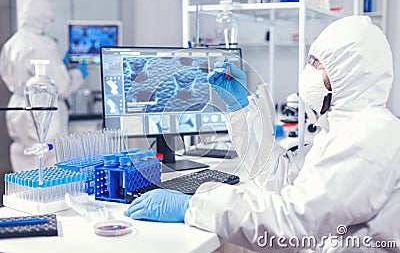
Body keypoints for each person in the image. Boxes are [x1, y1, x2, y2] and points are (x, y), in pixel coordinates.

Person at [124, 16, 400, 252]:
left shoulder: (369, 136)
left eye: (318, 64)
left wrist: (193, 207)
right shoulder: (346, 130)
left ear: (348, 73)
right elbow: (282, 177)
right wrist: (241, 110)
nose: (308, 73)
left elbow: (291, 225)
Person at [0, 0, 88, 172]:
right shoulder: (40, 44)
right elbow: (61, 87)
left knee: (24, 159)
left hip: (18, 107)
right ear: (44, 18)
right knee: (48, 163)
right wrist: (78, 73)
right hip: (44, 109)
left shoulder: (12, 43)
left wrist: (60, 68)